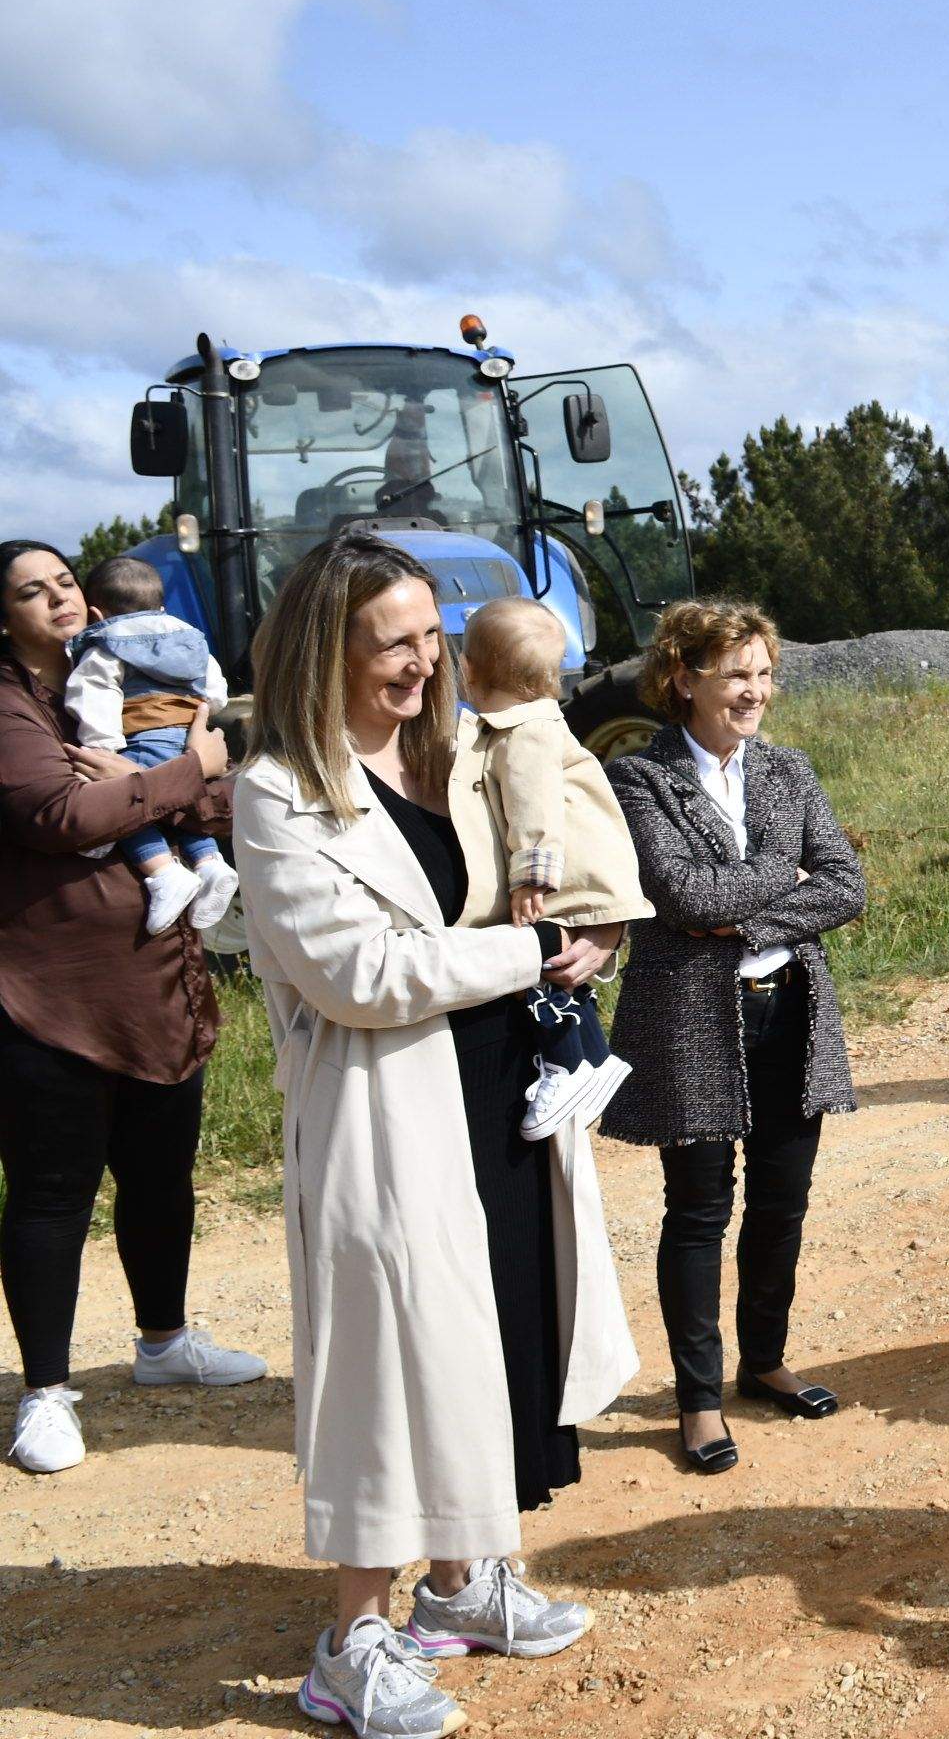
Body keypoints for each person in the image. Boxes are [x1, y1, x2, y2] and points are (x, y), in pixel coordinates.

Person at [233, 532, 633, 1737]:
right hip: (388, 1101)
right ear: (325, 650)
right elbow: (359, 970)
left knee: (498, 1329)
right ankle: (353, 1634)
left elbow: (548, 838)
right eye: (393, 641)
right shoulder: (276, 790)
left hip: (495, 1081)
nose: (424, 660)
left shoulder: (451, 751)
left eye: (431, 633)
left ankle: (461, 1584)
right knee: (386, 1361)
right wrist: (532, 951)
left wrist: (592, 924)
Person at [1, 540, 264, 1479]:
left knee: (160, 1179)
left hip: (156, 974)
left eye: (65, 581)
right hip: (51, 992)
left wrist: (165, 775)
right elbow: (59, 817)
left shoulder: (134, 670)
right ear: (4, 616)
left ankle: (163, 1344)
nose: (58, 599)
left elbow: (214, 793)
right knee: (51, 1195)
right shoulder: (10, 707)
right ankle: (44, 1393)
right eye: (31, 591)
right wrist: (177, 774)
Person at [603, 599, 867, 1476]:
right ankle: (699, 1400)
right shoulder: (639, 780)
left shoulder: (790, 770)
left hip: (791, 1007)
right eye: (736, 675)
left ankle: (763, 1362)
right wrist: (775, 883)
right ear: (683, 679)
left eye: (763, 674)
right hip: (691, 1022)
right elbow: (680, 897)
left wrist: (747, 918)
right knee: (698, 1212)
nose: (755, 691)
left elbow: (845, 884)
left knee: (782, 1206)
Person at [453, 599, 652, 1139]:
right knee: (557, 968)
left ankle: (569, 1063)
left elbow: (533, 804)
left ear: (467, 671)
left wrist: (530, 877)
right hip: (588, 870)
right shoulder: (534, 721)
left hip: (569, 875)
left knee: (538, 962)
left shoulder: (525, 732)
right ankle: (592, 1056)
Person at [62, 556, 238, 933]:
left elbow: (91, 693)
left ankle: (162, 873)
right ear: (161, 606)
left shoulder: (106, 642)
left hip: (142, 735)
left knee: (129, 803)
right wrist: (196, 716)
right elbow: (217, 692)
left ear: (95, 613)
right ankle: (210, 866)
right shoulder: (189, 637)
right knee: (185, 797)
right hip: (190, 734)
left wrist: (103, 746)